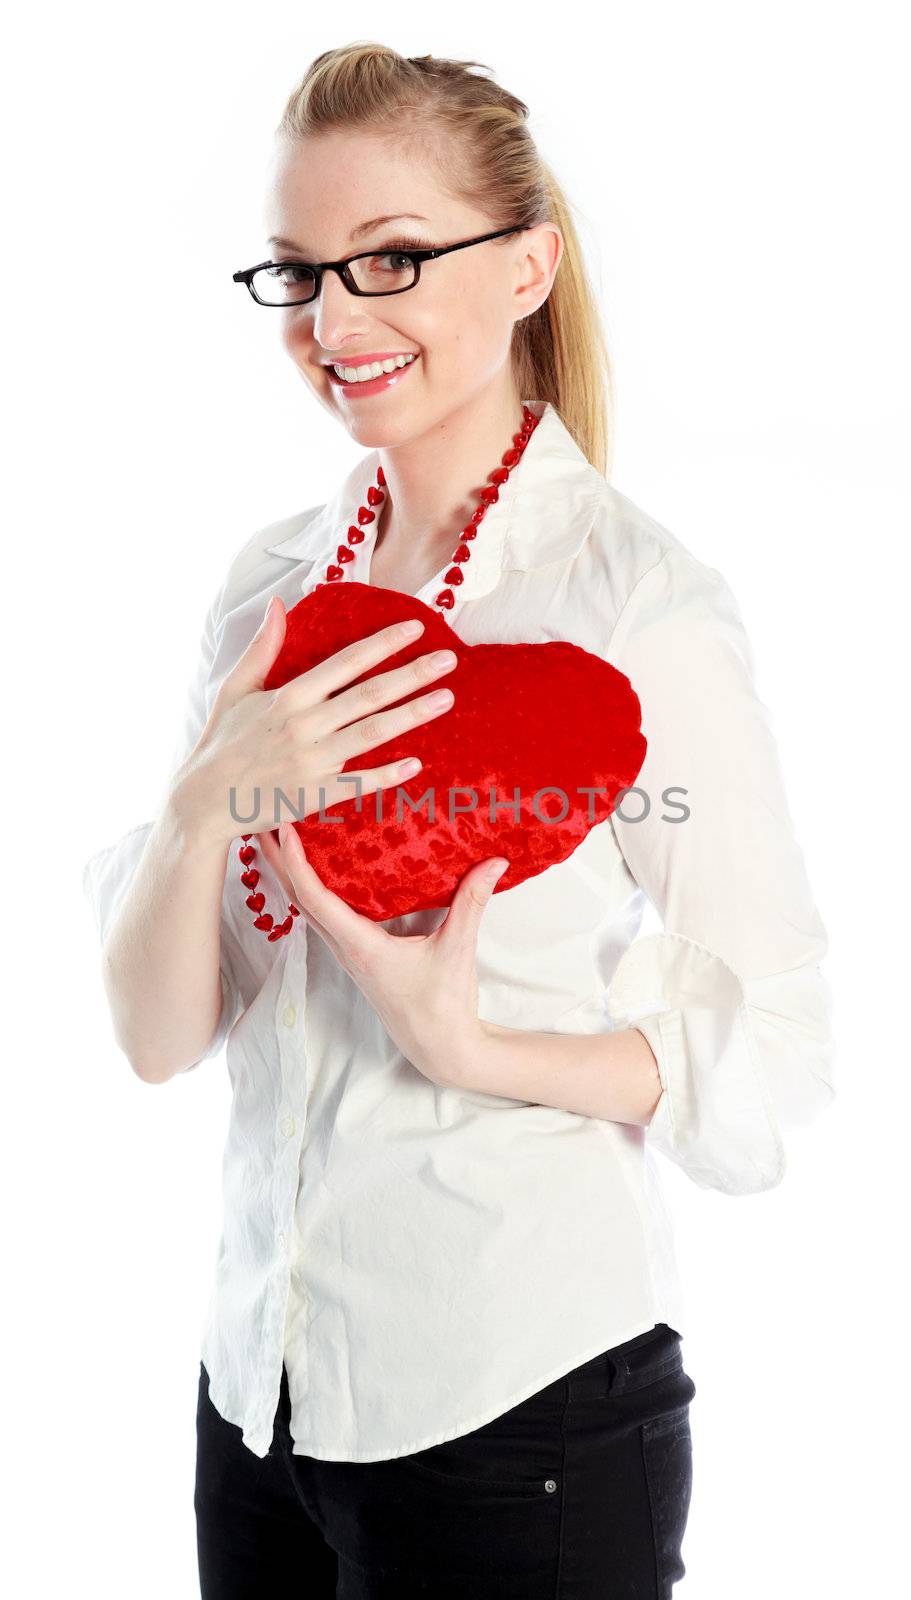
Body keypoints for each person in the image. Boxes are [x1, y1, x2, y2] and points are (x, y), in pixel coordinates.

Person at [82, 43, 837, 1600]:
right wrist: (203, 795)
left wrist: (470, 1045)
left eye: (395, 259)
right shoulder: (269, 594)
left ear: (527, 268)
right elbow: (159, 1041)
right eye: (296, 274)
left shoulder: (639, 607)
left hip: (518, 1410)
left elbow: (778, 1046)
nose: (334, 322)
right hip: (259, 1394)